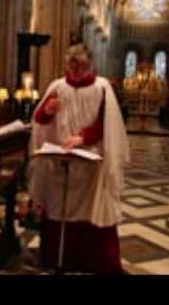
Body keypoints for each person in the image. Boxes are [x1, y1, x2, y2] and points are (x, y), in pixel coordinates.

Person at [29, 42, 130, 274]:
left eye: (79, 67)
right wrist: (47, 111)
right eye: (70, 66)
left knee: (90, 208)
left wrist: (83, 137)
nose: (73, 72)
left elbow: (107, 124)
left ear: (88, 65)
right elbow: (38, 119)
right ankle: (58, 258)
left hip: (90, 160)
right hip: (60, 160)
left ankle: (92, 259)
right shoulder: (57, 86)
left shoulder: (101, 88)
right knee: (58, 208)